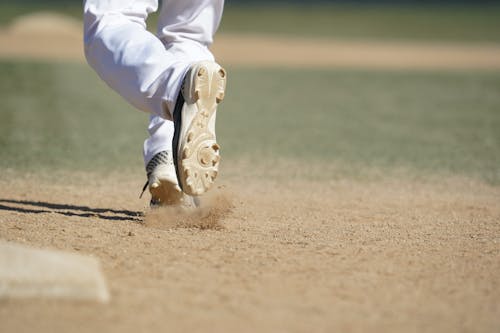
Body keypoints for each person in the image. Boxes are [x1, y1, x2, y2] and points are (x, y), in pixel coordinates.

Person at [83, 0, 227, 207]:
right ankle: (171, 156)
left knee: (112, 19)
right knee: (188, 35)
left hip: (175, 89)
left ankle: (175, 88)